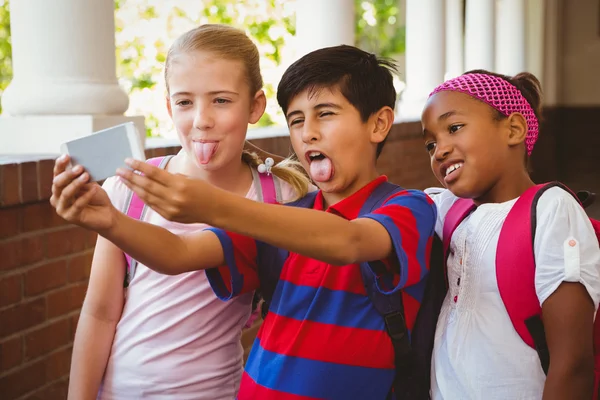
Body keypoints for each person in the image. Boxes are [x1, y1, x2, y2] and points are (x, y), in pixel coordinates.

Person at [51, 45, 437, 399]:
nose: (308, 133)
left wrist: (212, 206)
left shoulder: (407, 207)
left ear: (379, 124)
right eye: (296, 120)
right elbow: (178, 252)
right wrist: (109, 222)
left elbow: (350, 242)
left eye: (326, 114)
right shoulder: (284, 216)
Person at [58, 24, 311, 400]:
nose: (201, 120)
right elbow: (100, 314)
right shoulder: (127, 189)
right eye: (185, 102)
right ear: (168, 106)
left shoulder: (281, 195)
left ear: (255, 106)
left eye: (221, 100)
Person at [421, 70, 600, 399]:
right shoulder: (449, 209)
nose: (439, 151)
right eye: (431, 143)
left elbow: (572, 363)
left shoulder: (551, 210)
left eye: (454, 128)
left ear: (514, 129)